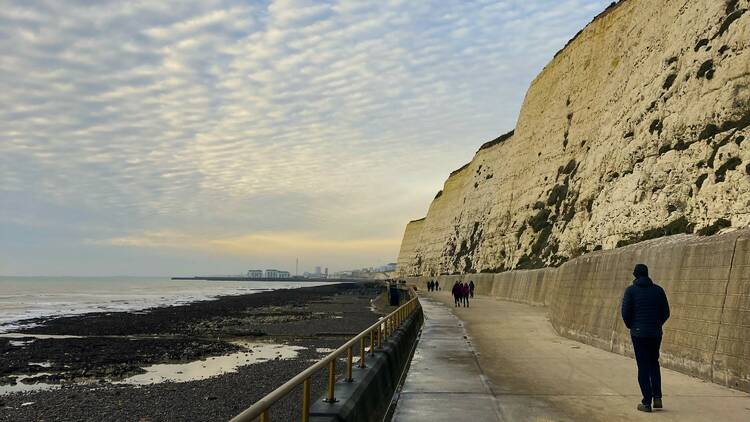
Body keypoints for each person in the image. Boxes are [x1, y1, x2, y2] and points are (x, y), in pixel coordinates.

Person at [621, 263, 670, 413]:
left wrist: (632, 326)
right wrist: (657, 324)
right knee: (654, 363)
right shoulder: (658, 290)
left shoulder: (631, 291)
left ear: (635, 275)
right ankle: (657, 397)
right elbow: (666, 312)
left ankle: (646, 402)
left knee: (643, 367)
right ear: (647, 274)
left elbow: (625, 313)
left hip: (639, 334)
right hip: (655, 333)